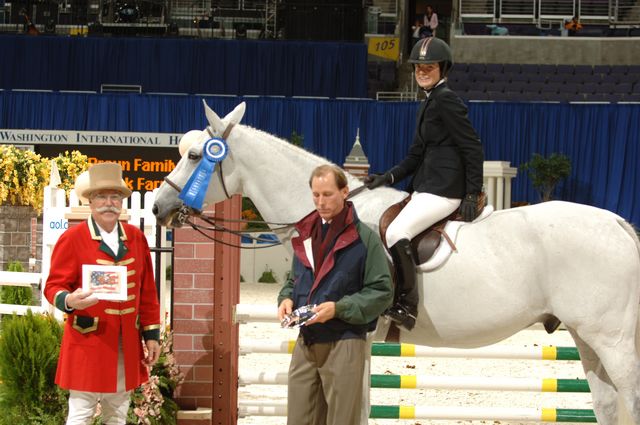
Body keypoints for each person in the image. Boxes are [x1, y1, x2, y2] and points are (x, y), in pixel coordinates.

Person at [364, 37, 484, 332]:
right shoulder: (429, 102)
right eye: (418, 67)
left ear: (443, 68)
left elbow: (472, 147)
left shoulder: (446, 100)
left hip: (444, 190)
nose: (422, 72)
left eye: (429, 67)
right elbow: (415, 156)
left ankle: (407, 304)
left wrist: (471, 192)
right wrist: (387, 178)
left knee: (396, 231)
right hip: (427, 186)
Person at [44, 162, 161, 425]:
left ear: (121, 202)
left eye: (115, 197)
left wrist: (151, 335)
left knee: (118, 414)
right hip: (88, 342)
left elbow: (147, 292)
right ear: (90, 201)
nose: (110, 203)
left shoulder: (136, 238)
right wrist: (69, 301)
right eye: (102, 197)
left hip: (126, 342)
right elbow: (52, 287)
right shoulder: (73, 238)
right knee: (81, 413)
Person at [277, 164, 393, 425]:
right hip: (306, 340)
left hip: (345, 341)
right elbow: (294, 279)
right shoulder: (305, 234)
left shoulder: (366, 239)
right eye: (316, 195)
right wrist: (285, 298)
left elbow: (382, 291)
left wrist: (339, 308)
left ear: (344, 192)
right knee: (298, 420)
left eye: (328, 194)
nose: (321, 201)